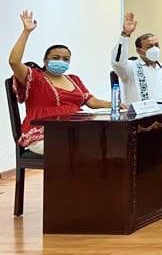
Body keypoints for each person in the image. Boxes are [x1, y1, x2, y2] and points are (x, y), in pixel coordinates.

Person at [8, 10, 112, 155]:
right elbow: (14, 61)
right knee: (79, 151)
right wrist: (26, 31)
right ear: (45, 60)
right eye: (56, 58)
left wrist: (115, 104)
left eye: (66, 59)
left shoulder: (73, 79)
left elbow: (91, 101)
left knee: (107, 143)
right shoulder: (35, 78)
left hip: (76, 130)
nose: (61, 61)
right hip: (44, 133)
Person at [112, 12, 162, 102]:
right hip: (144, 111)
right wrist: (125, 35)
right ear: (139, 51)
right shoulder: (130, 68)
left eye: (156, 45)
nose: (154, 49)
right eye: (150, 46)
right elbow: (117, 62)